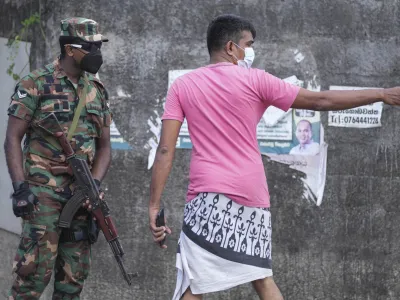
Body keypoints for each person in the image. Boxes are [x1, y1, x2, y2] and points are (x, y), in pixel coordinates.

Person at [148, 14, 400, 300]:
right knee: (262, 278)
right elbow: (320, 100)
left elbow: (165, 150)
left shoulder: (183, 85)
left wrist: (154, 205)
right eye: (248, 44)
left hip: (206, 196)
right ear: (231, 47)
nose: (250, 51)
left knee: (193, 282)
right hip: (252, 194)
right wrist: (381, 93)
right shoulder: (257, 80)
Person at [4, 17, 111, 299]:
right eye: (91, 47)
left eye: (99, 46)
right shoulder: (36, 84)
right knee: (31, 279)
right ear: (71, 49)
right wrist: (20, 189)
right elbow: (12, 138)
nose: (97, 53)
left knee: (72, 283)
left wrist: (95, 184)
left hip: (82, 199)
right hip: (43, 196)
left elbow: (104, 148)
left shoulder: (97, 91)